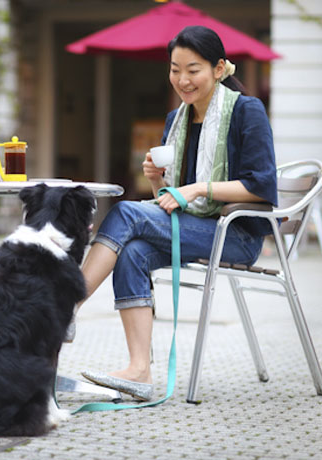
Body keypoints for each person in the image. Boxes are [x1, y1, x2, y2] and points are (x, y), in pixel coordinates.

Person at [76, 25, 278, 401]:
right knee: (132, 250)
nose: (182, 80)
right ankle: (139, 370)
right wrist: (157, 181)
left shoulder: (246, 112)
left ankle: (64, 304)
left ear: (219, 69)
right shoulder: (177, 121)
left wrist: (198, 188)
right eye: (175, 69)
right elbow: (170, 201)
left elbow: (262, 186)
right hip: (194, 226)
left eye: (193, 69)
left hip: (236, 234)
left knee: (125, 215)